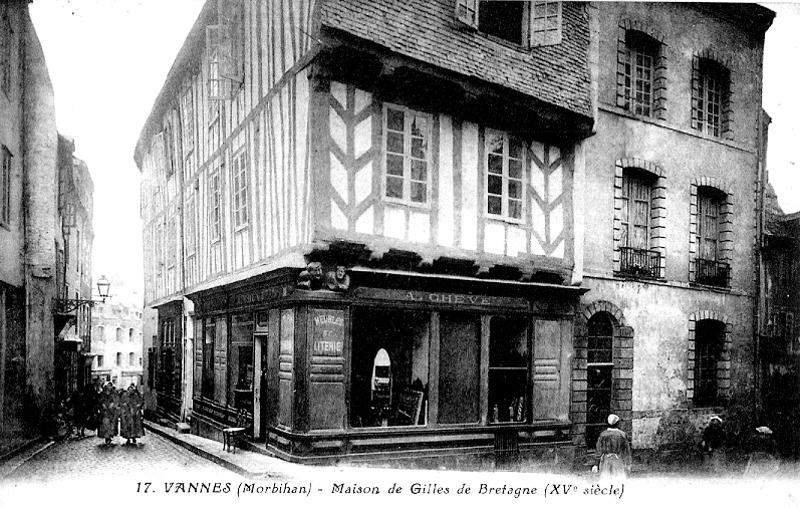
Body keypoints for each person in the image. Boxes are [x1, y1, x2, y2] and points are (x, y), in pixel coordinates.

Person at [595, 414, 632, 479]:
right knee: (618, 479)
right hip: (617, 460)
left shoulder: (603, 434)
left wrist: (596, 464)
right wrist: (627, 464)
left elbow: (598, 450)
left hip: (606, 460)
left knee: (606, 479)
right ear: (617, 423)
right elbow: (626, 451)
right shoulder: (622, 435)